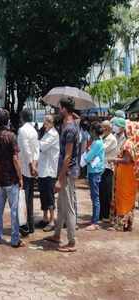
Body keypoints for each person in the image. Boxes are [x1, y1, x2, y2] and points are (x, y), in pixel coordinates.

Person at [45, 97, 79, 253]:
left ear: (65, 109)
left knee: (69, 207)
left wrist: (60, 179)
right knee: (61, 205)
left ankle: (72, 242)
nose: (58, 110)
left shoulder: (70, 129)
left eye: (60, 108)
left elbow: (68, 156)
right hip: (65, 171)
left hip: (67, 172)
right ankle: (57, 234)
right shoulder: (67, 126)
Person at [0, 110, 25, 247]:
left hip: (0, 179)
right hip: (11, 179)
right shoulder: (12, 136)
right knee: (14, 210)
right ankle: (14, 239)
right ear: (8, 120)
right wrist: (20, 176)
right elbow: (15, 158)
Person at [109, 121, 138, 232]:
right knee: (129, 198)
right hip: (131, 174)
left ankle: (120, 225)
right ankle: (128, 224)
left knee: (122, 198)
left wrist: (114, 159)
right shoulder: (135, 143)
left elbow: (126, 160)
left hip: (125, 175)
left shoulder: (128, 144)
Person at [17, 109, 39, 235]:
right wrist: (35, 165)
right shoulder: (34, 131)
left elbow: (25, 150)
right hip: (31, 169)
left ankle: (24, 226)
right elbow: (36, 150)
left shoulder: (22, 130)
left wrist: (31, 165)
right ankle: (30, 226)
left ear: (22, 117)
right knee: (29, 199)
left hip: (25, 168)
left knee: (22, 199)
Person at [37, 115, 60, 232]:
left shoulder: (53, 135)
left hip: (49, 170)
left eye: (46, 122)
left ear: (51, 123)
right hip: (43, 169)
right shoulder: (46, 133)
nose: (44, 125)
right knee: (43, 195)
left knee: (49, 196)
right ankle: (45, 218)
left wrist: (33, 140)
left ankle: (52, 220)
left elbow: (42, 146)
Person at [83, 122, 105, 231]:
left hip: (94, 171)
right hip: (95, 170)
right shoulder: (98, 142)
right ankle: (94, 219)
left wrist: (86, 155)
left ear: (93, 131)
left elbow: (88, 157)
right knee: (94, 196)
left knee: (95, 197)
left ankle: (95, 222)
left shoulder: (96, 143)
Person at [99, 121, 118, 221]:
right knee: (101, 191)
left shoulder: (111, 138)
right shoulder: (104, 137)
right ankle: (101, 213)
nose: (102, 129)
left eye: (103, 128)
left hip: (108, 167)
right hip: (102, 166)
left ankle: (106, 215)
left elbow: (102, 149)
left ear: (108, 128)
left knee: (106, 192)